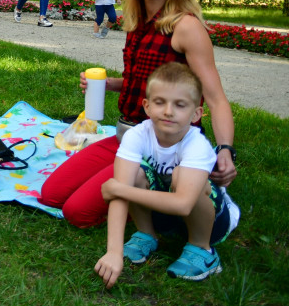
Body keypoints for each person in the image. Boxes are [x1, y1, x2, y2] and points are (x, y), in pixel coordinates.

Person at [41, 0, 238, 228]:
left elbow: (216, 97)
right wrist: (109, 84)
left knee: (77, 212)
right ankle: (137, 185)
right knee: (51, 194)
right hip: (128, 136)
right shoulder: (136, 19)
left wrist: (225, 150)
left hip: (165, 145)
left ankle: (196, 187)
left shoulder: (186, 27)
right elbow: (143, 81)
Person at [94, 63, 238, 287]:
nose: (168, 111)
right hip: (164, 210)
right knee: (137, 173)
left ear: (196, 114)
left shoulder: (197, 145)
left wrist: (120, 189)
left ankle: (202, 250)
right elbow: (120, 192)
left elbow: (183, 204)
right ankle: (146, 234)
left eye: (180, 105)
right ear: (147, 106)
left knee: (181, 175)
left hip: (210, 221)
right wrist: (114, 251)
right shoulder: (137, 135)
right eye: (160, 102)